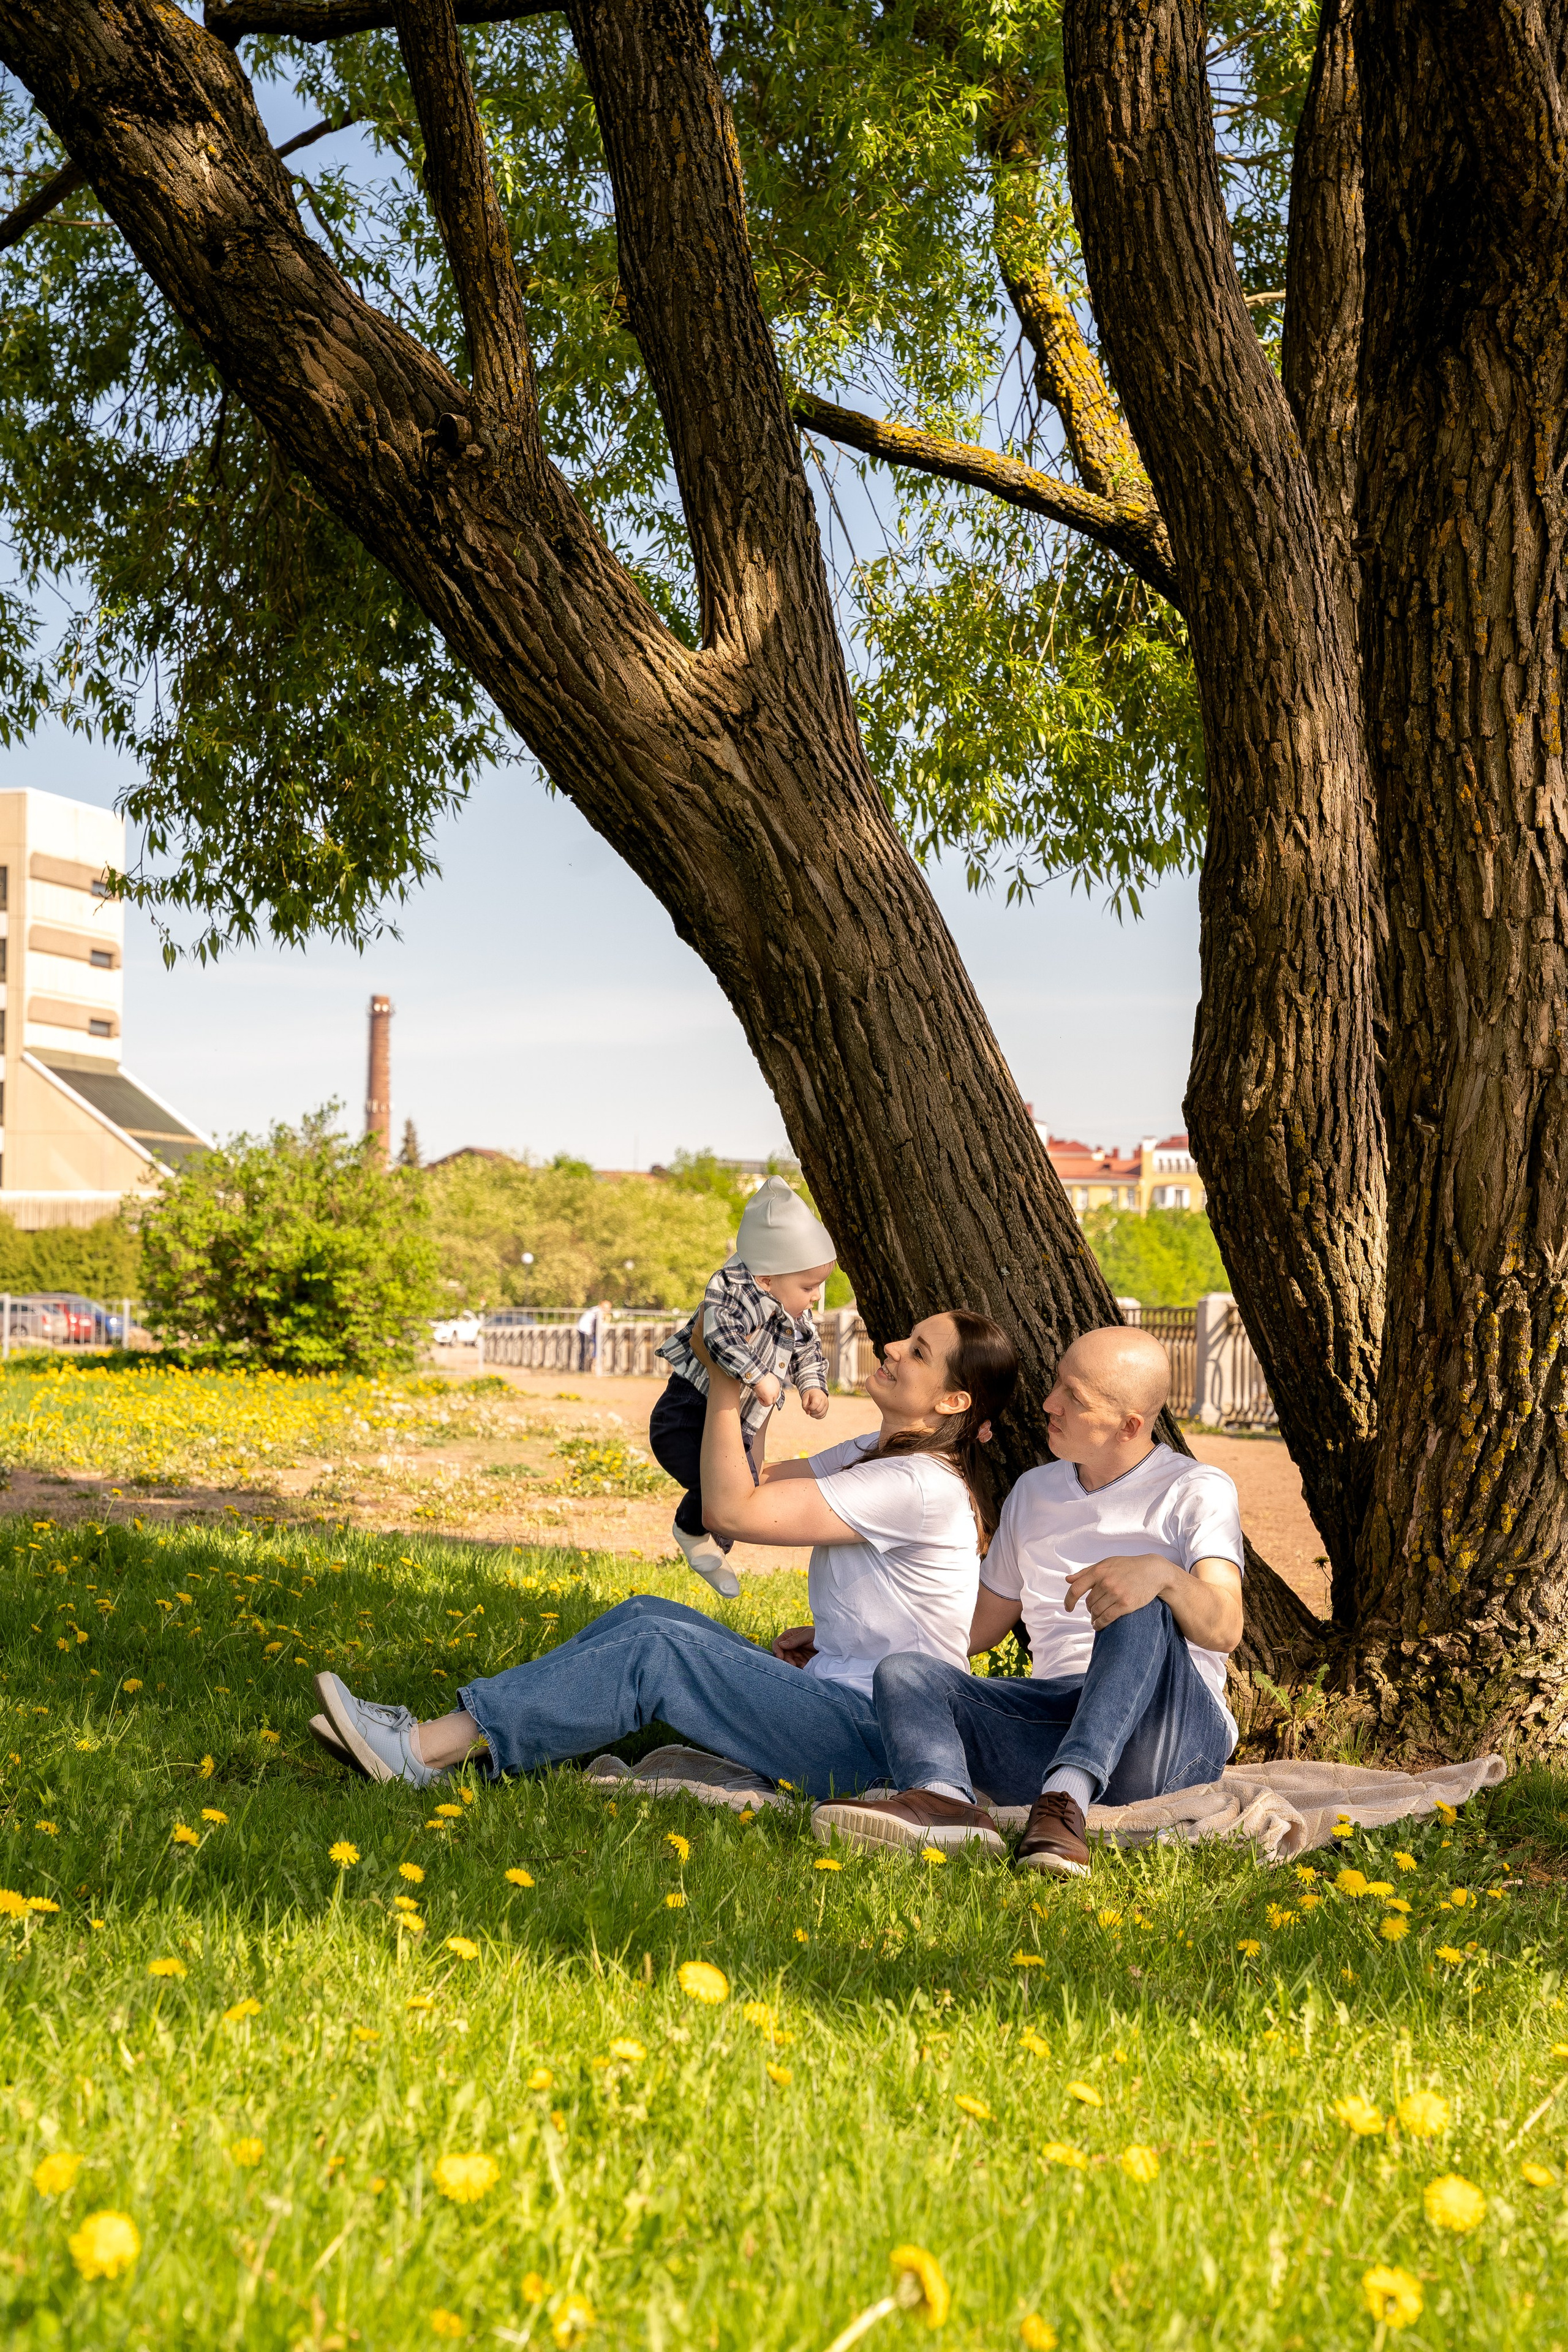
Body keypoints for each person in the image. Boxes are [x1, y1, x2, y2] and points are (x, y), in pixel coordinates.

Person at [309, 1308, 1019, 1802]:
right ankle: (473, 1749)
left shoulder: (916, 1484)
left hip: (881, 1746)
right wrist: (758, 1388)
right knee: (646, 1611)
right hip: (846, 1699)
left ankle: (421, 1753)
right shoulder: (874, 1454)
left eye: (918, 1352)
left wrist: (725, 1382)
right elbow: (755, 1478)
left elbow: (729, 1511)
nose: (893, 1347)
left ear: (953, 1401)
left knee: (657, 1647)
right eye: (906, 1340)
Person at [810, 1325, 1245, 1874]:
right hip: (1054, 1719)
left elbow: (1226, 1626)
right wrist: (850, 1633)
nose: (1049, 1403)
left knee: (1143, 1599)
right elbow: (977, 1627)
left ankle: (1065, 1800)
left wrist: (1160, 1575)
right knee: (906, 1672)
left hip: (1169, 1737)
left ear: (1129, 1426)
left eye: (1074, 1398)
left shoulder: (1197, 1489)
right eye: (1058, 1384)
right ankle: (945, 1803)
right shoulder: (1034, 1492)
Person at [649, 1175, 835, 1599]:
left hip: (737, 1422)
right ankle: (693, 1534)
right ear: (767, 1279)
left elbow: (809, 1349)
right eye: (808, 1287)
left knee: (741, 1486)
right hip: (685, 1413)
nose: (815, 1296)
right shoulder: (733, 1292)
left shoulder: (791, 1311)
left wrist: (812, 1386)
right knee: (718, 1487)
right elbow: (718, 1335)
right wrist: (757, 1374)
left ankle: (710, 1542)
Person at [575, 1299, 611, 1374]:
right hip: (585, 1330)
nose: (608, 1310)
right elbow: (597, 1325)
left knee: (586, 1348)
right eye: (607, 1308)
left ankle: (584, 1367)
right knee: (586, 1348)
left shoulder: (595, 1309)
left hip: (583, 1329)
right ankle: (583, 1367)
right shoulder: (598, 1312)